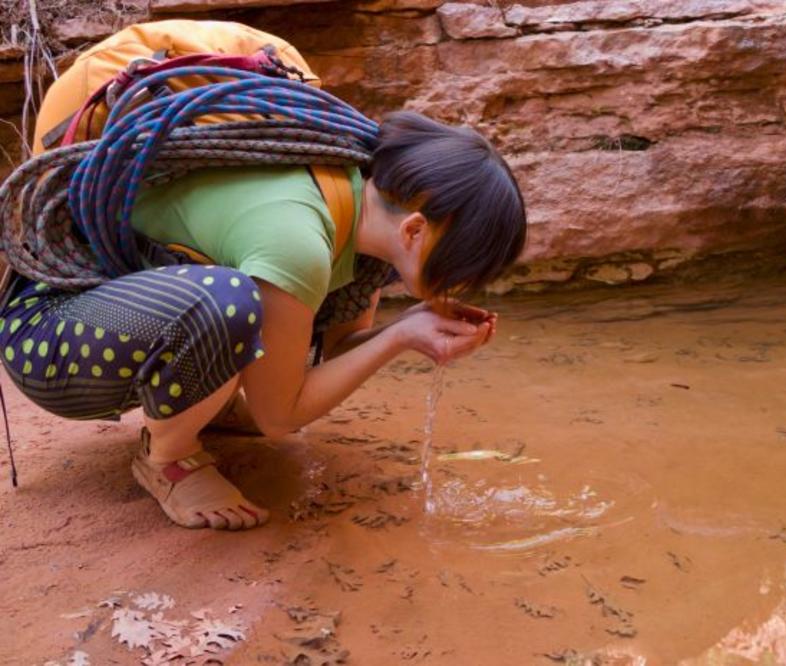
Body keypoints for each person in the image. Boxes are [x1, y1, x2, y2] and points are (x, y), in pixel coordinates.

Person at [0, 110, 527, 530]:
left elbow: (337, 355)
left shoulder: (352, 206)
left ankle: (206, 406)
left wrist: (401, 329)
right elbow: (281, 417)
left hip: (117, 315)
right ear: (414, 230)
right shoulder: (298, 240)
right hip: (49, 332)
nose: (464, 283)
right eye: (467, 265)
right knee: (228, 300)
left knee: (239, 307)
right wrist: (401, 336)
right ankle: (169, 458)